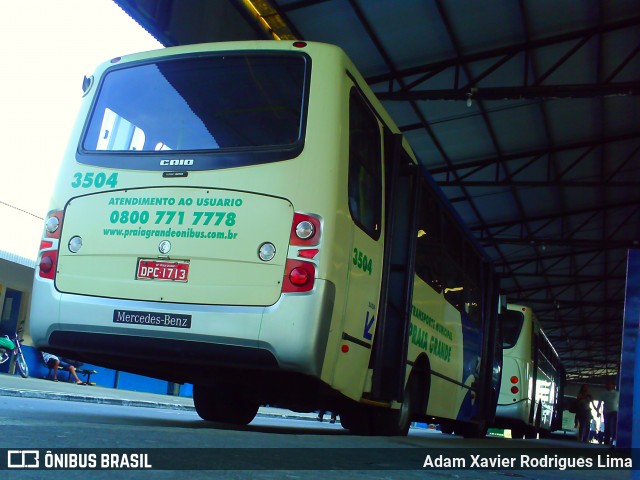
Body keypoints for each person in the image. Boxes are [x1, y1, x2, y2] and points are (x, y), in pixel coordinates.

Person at [601, 380, 619, 446]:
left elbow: (620, 403)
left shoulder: (617, 393)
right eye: (607, 384)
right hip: (606, 412)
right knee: (607, 426)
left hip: (614, 411)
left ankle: (613, 439)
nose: (608, 386)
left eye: (610, 384)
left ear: (613, 385)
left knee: (614, 426)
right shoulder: (604, 393)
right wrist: (597, 410)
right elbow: (600, 402)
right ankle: (607, 440)